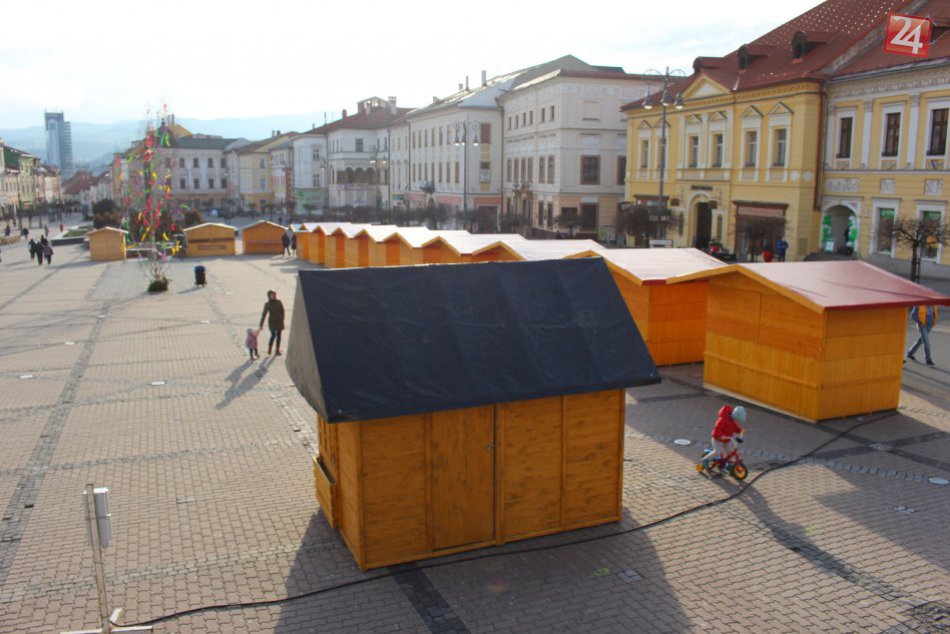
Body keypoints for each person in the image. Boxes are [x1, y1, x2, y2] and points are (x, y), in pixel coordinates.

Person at [710, 405, 746, 470]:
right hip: (718, 439)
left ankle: (726, 465)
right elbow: (717, 430)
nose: (736, 421)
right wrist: (721, 436)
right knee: (717, 451)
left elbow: (735, 427)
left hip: (725, 441)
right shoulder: (722, 420)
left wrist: (740, 430)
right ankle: (705, 460)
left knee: (729, 453)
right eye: (736, 419)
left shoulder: (732, 421)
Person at [259, 290, 286, 355]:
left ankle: (277, 350)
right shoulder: (267, 304)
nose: (272, 296)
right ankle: (270, 349)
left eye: (273, 295)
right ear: (268, 296)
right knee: (273, 335)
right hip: (272, 322)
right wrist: (261, 324)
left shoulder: (279, 302)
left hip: (279, 321)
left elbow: (282, 310)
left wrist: (282, 318)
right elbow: (264, 314)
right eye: (271, 295)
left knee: (279, 336)